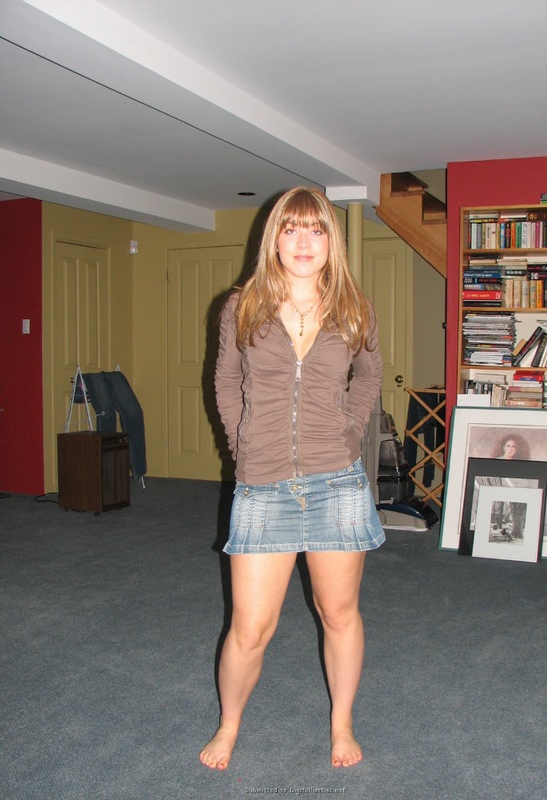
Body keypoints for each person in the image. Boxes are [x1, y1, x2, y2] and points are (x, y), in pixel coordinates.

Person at [199, 187, 385, 771]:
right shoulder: (241, 306)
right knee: (250, 628)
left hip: (338, 484)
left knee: (339, 614)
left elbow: (369, 376)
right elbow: (225, 381)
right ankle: (229, 725)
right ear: (274, 238)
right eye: (291, 228)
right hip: (264, 485)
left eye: (316, 229)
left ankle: (342, 723)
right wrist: (242, 446)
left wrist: (351, 430)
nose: (304, 242)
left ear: (332, 241)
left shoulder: (353, 307)